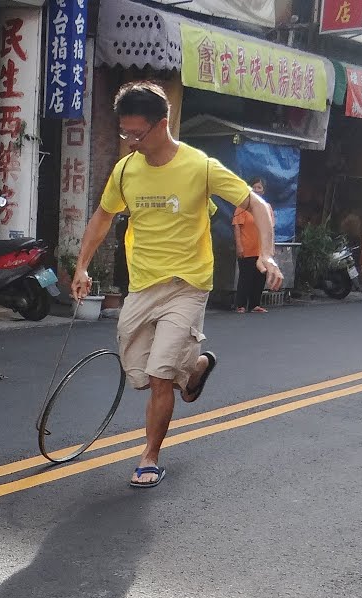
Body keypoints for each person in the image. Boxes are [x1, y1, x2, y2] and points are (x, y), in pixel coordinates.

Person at [70, 82, 281, 488]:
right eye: (124, 133)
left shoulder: (199, 166)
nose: (130, 141)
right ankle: (197, 367)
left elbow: (256, 203)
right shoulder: (126, 170)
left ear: (161, 124)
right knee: (141, 373)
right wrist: (81, 266)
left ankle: (149, 458)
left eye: (137, 133)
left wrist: (266, 254)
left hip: (188, 283)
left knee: (161, 373)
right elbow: (101, 218)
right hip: (143, 285)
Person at [233, 176, 273, 314]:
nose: (256, 190)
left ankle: (255, 304)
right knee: (245, 277)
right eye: (254, 187)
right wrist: (239, 246)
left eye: (259, 187)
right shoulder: (242, 206)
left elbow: (270, 228)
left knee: (259, 277)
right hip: (247, 248)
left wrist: (269, 249)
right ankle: (241, 305)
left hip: (261, 251)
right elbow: (237, 226)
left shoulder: (267, 207)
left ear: (263, 191)